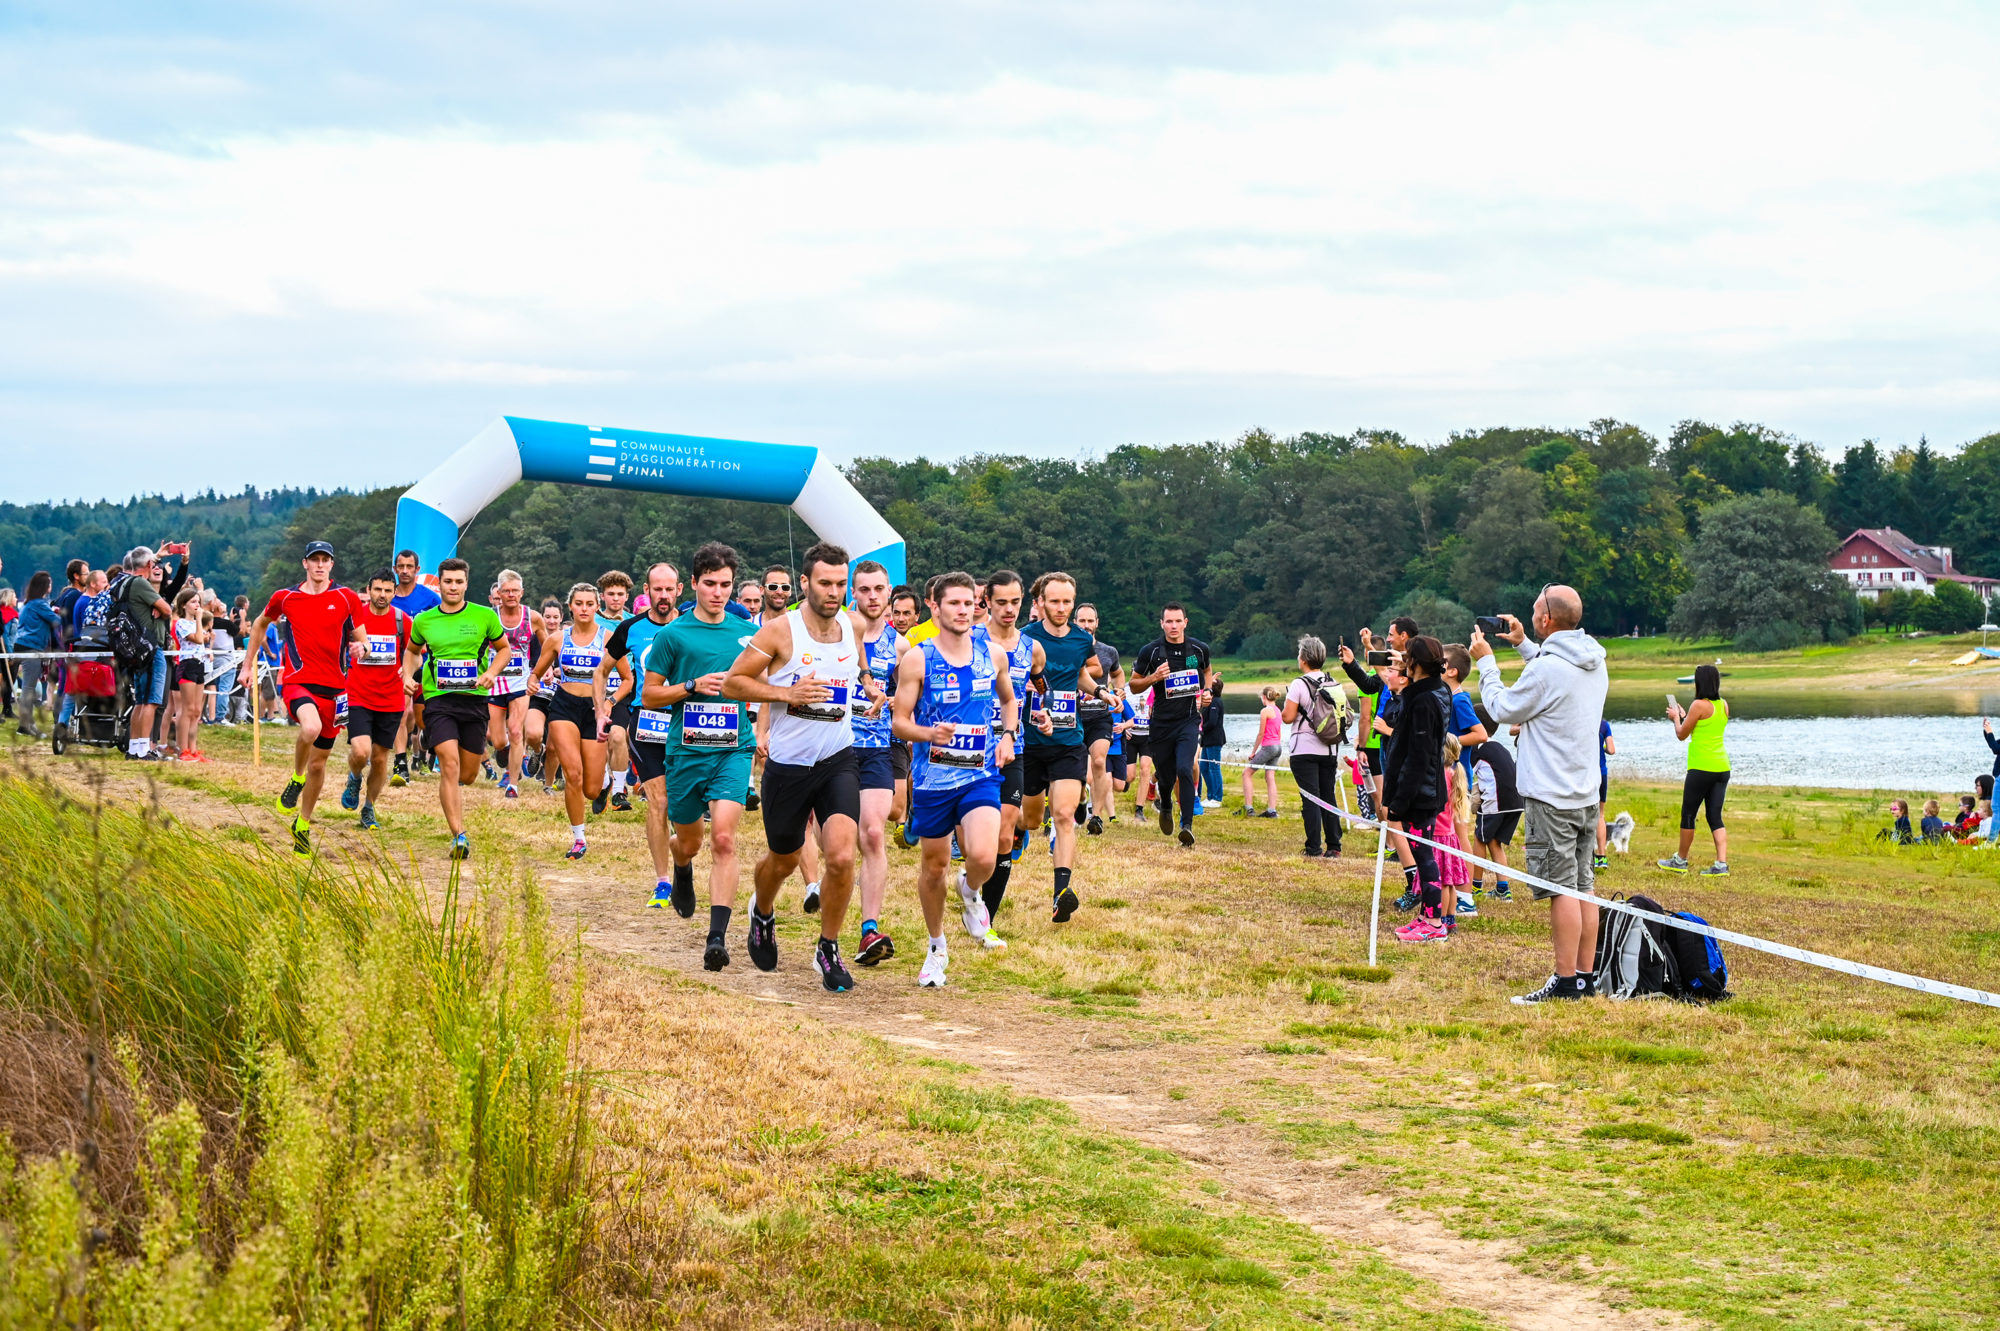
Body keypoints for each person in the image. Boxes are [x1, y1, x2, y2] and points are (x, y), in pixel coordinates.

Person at [722, 542, 865, 993]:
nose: (834, 592)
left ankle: (829, 947)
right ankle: (761, 911)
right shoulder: (780, 632)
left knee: (841, 857)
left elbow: (853, 675)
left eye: (841, 584)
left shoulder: (851, 624)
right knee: (783, 859)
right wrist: (788, 695)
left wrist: (871, 693)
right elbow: (732, 683)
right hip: (787, 765)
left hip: (838, 758)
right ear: (805, 583)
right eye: (825, 583)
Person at [1469, 585, 1609, 1003]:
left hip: (1551, 794)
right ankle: (1585, 976)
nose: (1528, 616)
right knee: (1584, 886)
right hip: (1585, 792)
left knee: (1560, 888)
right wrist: (1524, 645)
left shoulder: (1547, 670)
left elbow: (1503, 709)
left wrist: (1488, 665)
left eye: (1533, 612)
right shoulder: (1593, 659)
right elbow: (1554, 672)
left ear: (1547, 619)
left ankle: (1564, 980)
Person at [892, 571, 1026, 988]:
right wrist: (928, 734)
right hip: (932, 780)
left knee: (985, 856)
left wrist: (1007, 736)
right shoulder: (917, 658)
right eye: (955, 603)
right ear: (934, 606)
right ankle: (936, 947)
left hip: (980, 774)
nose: (964, 611)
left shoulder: (994, 656)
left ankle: (970, 891)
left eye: (970, 604)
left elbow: (1009, 701)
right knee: (933, 867)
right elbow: (898, 722)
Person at [639, 543, 758, 971]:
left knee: (724, 837)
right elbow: (650, 696)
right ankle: (681, 863)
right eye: (710, 584)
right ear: (694, 583)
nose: (719, 592)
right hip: (686, 752)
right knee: (689, 840)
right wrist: (691, 686)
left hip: (733, 749)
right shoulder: (673, 635)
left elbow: (765, 684)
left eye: (726, 584)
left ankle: (717, 937)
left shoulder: (747, 635)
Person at [237, 541, 369, 856]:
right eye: (315, 560)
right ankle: (296, 777)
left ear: (331, 565)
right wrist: (246, 664)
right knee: (309, 729)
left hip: (336, 690)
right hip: (299, 682)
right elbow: (259, 624)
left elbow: (362, 639)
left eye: (326, 560)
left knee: (320, 764)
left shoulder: (347, 598)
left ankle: (303, 824)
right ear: (305, 564)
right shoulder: (286, 598)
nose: (320, 565)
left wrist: (360, 649)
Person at [400, 558, 510, 860]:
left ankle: (428, 741)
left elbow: (505, 649)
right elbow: (412, 652)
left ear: (466, 583)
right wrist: (407, 675)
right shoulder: (425, 620)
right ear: (441, 583)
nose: (453, 587)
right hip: (439, 700)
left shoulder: (484, 616)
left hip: (474, 700)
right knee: (448, 765)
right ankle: (459, 836)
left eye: (458, 582)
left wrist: (492, 673)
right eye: (448, 581)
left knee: (469, 774)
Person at [1021, 572, 1109, 921]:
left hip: (1068, 740)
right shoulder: (1025, 638)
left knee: (1064, 816)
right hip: (1029, 742)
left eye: (1067, 602)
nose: (1061, 607)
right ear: (1040, 602)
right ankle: (1014, 839)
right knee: (1028, 820)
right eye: (1054, 601)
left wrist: (1101, 692)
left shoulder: (1081, 640)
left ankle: (1061, 893)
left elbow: (1078, 674)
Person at [526, 582, 613, 860]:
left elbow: (628, 678)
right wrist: (532, 682)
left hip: (594, 709)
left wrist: (609, 702)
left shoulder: (608, 639)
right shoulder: (558, 639)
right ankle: (579, 839)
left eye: (590, 604)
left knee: (590, 789)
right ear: (570, 607)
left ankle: (606, 783)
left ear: (597, 607)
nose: (584, 608)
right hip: (563, 707)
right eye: (579, 603)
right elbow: (537, 672)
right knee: (572, 774)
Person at [846, 559, 903, 965]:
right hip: (830, 749)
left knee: (872, 834)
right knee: (834, 847)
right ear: (853, 591)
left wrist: (895, 700)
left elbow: (913, 697)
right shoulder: (835, 633)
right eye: (863, 589)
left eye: (878, 589)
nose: (871, 596)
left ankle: (869, 929)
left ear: (889, 593)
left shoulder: (900, 646)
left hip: (877, 749)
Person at [1382, 637, 1454, 943]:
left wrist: (1400, 799)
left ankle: (1435, 922)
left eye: (1406, 658)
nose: (1401, 663)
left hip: (1420, 792)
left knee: (1424, 856)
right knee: (1422, 852)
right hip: (1422, 787)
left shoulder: (1424, 699)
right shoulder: (1433, 690)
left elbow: (1420, 754)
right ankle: (1427, 914)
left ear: (1418, 664)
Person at [602, 564, 680, 818]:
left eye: (669, 589)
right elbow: (601, 671)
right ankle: (616, 787)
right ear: (647, 590)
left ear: (679, 589)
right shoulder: (630, 628)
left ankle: (681, 848)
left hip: (683, 717)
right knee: (660, 799)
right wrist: (601, 708)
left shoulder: (690, 626)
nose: (664, 595)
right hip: (646, 716)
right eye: (658, 589)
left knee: (679, 794)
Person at [1130, 603, 1212, 847]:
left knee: (1185, 770)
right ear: (1162, 624)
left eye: (1178, 621)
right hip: (1161, 725)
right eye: (1169, 621)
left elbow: (1207, 670)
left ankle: (1187, 826)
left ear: (1186, 622)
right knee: (1165, 778)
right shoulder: (1151, 652)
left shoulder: (1199, 649)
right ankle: (1165, 802)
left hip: (1188, 721)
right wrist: (1154, 677)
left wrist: (1207, 692)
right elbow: (1134, 685)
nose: (1173, 626)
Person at [337, 568, 413, 829]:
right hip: (358, 694)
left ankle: (369, 809)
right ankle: (354, 776)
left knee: (380, 759)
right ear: (368, 590)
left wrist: (409, 669)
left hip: (391, 698)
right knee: (361, 751)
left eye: (387, 590)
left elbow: (415, 653)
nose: (382, 595)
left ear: (395, 592)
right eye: (377, 589)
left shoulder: (403, 621)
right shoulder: (354, 620)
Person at [1658, 664, 1730, 876]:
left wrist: (1676, 718)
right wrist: (1684, 715)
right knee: (1714, 815)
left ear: (1700, 683)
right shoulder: (1724, 705)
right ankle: (1721, 864)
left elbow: (1681, 734)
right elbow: (1701, 728)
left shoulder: (1698, 704)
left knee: (1688, 813)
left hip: (1701, 767)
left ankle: (1680, 860)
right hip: (1722, 767)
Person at [1282, 637, 1347, 857]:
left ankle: (1313, 847)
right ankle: (1334, 846)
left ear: (1303, 659)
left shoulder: (1299, 684)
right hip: (1330, 749)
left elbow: (1288, 717)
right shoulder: (1333, 682)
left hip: (1304, 749)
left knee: (1310, 798)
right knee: (1328, 796)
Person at [387, 550, 441, 786]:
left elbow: (444, 621)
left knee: (421, 720)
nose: (406, 571)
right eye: (401, 566)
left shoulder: (429, 598)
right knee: (402, 712)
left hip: (426, 664)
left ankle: (421, 739)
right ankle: (401, 762)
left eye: (410, 566)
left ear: (418, 570)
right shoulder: (389, 596)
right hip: (397, 664)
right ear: (395, 569)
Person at [484, 570, 538, 798]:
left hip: (520, 683)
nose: (511, 595)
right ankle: (508, 753)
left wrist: (539, 672)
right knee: (497, 740)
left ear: (522, 592)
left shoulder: (532, 617)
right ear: (499, 592)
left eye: (515, 590)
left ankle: (513, 785)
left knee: (516, 732)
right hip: (495, 683)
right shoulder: (489, 617)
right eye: (506, 591)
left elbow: (547, 647)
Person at [1072, 603, 1122, 833]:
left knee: (1100, 761)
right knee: (1078, 771)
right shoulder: (1069, 648)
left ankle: (1097, 817)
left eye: (1090, 621)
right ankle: (1081, 799)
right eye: (1082, 621)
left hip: (1100, 717)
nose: (1086, 625)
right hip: (1072, 717)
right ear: (1075, 622)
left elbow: (1118, 673)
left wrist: (1120, 690)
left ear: (1097, 623)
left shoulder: (1108, 651)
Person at [1467, 723, 1520, 902]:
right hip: (1516, 801)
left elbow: (1465, 773)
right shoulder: (1498, 746)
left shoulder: (1478, 749)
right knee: (1494, 841)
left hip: (1496, 800)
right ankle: (1503, 890)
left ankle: (1475, 887)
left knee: (1479, 838)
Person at [10, 571, 63, 738]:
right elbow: (56, 622)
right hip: (31, 647)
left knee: (28, 687)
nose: (51, 586)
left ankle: (27, 723)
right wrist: (59, 612)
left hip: (21, 645)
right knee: (28, 688)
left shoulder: (28, 603)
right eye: (49, 583)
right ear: (45, 587)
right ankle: (25, 725)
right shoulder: (40, 604)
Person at [166, 586, 211, 758]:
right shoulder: (182, 624)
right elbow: (199, 639)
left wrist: (200, 626)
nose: (197, 606)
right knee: (187, 709)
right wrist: (199, 621)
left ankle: (193, 749)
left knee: (196, 710)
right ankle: (182, 748)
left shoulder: (194, 624)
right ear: (184, 605)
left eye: (198, 602)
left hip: (199, 664)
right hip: (187, 665)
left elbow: (204, 638)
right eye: (193, 602)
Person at [524, 598, 563, 788]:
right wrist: (537, 674)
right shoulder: (533, 639)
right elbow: (525, 664)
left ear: (561, 618)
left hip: (561, 698)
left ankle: (548, 784)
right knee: (533, 734)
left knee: (555, 747)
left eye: (556, 617)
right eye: (547, 616)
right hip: (539, 696)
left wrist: (559, 673)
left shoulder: (569, 639)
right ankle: (538, 751)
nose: (551, 621)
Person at [1239, 686, 1283, 818]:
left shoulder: (1265, 711)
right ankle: (1272, 811)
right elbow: (1279, 733)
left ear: (1264, 697)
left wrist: (1253, 752)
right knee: (1270, 777)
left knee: (1246, 773)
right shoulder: (1278, 710)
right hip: (1278, 747)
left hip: (1269, 747)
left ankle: (1249, 808)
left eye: (1261, 698)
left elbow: (1261, 734)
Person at [1198, 676, 1227, 808]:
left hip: (1214, 739)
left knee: (1214, 768)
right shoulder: (1209, 702)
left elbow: (1212, 722)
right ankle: (1210, 796)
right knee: (1203, 767)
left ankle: (1217, 797)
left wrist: (1200, 728)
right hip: (1207, 740)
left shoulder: (1216, 702)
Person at [1595, 720, 1617, 871]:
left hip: (1585, 773)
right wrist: (1602, 747)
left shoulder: (1582, 719)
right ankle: (1602, 856)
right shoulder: (1604, 724)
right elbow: (1611, 749)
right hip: (1601, 773)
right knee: (1600, 815)